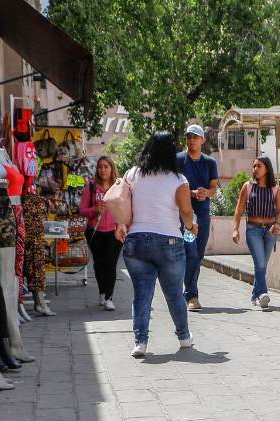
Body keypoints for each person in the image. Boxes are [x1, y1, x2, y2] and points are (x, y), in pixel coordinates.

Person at [116, 132, 198, 358]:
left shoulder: (132, 174)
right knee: (174, 294)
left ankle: (140, 343)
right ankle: (184, 337)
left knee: (142, 294)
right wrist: (190, 227)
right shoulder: (178, 180)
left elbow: (121, 200)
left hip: (136, 240)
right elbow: (186, 211)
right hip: (169, 241)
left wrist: (121, 224)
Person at [231, 156, 280, 309]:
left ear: (267, 168)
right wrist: (235, 229)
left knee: (262, 265)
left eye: (259, 166)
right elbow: (239, 209)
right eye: (254, 166)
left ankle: (255, 295)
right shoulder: (248, 187)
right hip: (253, 230)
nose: (255, 169)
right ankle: (263, 294)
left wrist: (277, 224)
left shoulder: (275, 189)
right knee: (260, 264)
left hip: (270, 231)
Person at [176, 123, 219, 311]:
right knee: (191, 252)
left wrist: (205, 193)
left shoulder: (210, 162)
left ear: (202, 140)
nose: (191, 140)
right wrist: (190, 193)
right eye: (188, 136)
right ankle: (191, 295)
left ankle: (187, 291)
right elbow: (172, 186)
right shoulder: (178, 160)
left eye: (195, 137)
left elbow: (214, 189)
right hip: (185, 215)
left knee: (198, 255)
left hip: (202, 215)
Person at [80, 155, 122, 310]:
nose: (103, 170)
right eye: (100, 167)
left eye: (106, 166)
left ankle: (109, 298)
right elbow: (82, 210)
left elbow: (126, 209)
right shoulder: (91, 187)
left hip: (114, 232)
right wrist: (94, 209)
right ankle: (102, 292)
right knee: (99, 265)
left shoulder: (119, 187)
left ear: (112, 168)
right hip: (94, 232)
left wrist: (123, 227)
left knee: (111, 264)